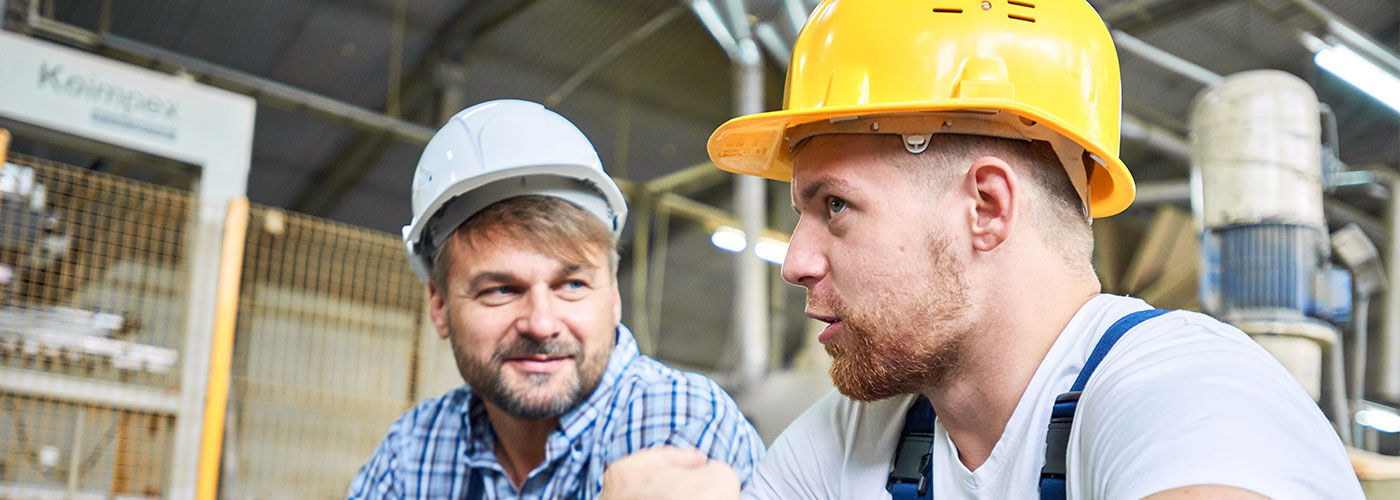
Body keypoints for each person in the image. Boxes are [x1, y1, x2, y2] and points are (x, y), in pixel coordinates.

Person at [601, 1, 1365, 499]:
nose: (795, 260)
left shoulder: (1188, 395)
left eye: (835, 206)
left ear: (986, 207)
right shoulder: (860, 438)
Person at [349, 99, 763, 499]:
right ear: (439, 306)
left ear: (613, 294)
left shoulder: (677, 420)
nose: (542, 323)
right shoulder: (415, 449)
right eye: (501, 290)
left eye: (572, 285)